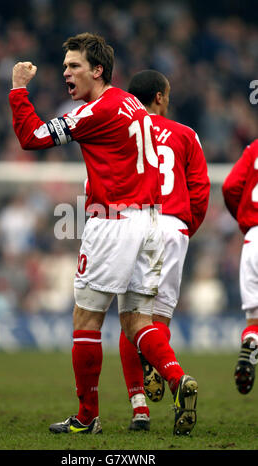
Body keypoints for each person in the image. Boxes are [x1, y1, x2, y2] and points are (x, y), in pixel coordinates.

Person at [9, 32, 198, 436]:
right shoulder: (131, 103)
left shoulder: (97, 111)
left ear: (98, 70)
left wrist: (18, 91)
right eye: (64, 67)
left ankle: (87, 416)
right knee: (135, 322)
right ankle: (177, 378)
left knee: (87, 319)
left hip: (113, 224)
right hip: (150, 222)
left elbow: (32, 137)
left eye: (74, 66)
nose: (66, 74)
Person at [115, 70, 210, 431]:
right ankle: (165, 377)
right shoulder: (186, 134)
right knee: (158, 322)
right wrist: (185, 228)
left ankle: (140, 408)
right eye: (167, 94)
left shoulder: (120, 131)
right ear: (159, 96)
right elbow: (199, 189)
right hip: (173, 226)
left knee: (130, 322)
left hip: (134, 223)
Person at [222, 140, 258, 395]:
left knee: (254, 321)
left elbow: (230, 185)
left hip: (252, 239)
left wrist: (246, 217)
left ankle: (251, 344)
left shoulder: (254, 148)